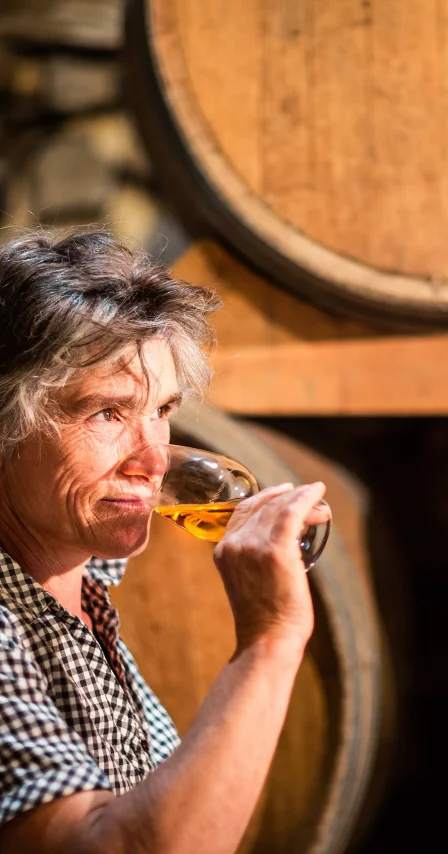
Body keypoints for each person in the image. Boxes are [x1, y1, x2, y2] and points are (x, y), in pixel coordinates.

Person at [0, 228, 330, 853]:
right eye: (108, 413)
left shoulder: (84, 576)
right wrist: (270, 640)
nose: (153, 459)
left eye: (161, 410)